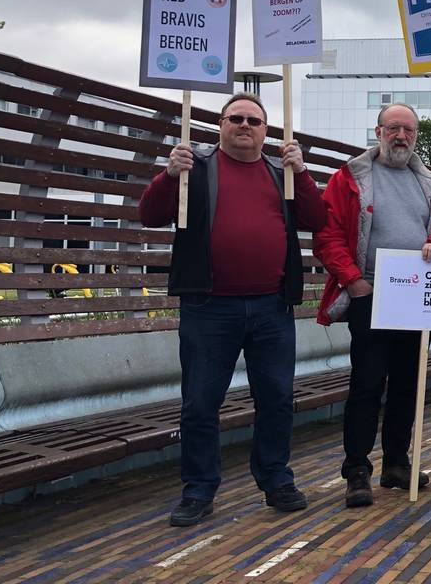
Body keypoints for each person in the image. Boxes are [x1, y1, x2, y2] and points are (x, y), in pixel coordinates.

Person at [138, 91, 326, 527]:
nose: (245, 126)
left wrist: (302, 170)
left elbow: (317, 220)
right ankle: (199, 489)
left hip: (271, 307)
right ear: (220, 125)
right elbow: (149, 215)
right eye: (236, 118)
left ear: (267, 131)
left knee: (277, 399)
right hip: (209, 308)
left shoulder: (282, 173)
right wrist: (168, 175)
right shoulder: (195, 168)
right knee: (201, 403)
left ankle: (276, 479)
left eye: (254, 121)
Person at [313, 103, 431, 508]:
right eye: (393, 128)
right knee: (366, 385)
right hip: (372, 296)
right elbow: (328, 236)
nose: (401, 136)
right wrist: (353, 280)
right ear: (378, 131)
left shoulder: (428, 182)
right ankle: (357, 469)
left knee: (407, 385)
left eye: (409, 130)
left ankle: (397, 461)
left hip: (416, 297)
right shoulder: (350, 178)